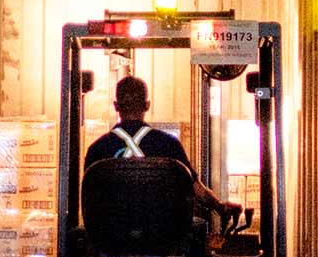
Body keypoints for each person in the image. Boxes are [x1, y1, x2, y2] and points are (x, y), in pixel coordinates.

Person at [82, 74, 228, 217]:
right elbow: (196, 189)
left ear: (116, 106)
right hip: (160, 230)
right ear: (147, 105)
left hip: (112, 231)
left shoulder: (97, 150)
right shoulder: (169, 145)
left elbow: (90, 201)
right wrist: (220, 206)